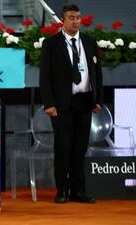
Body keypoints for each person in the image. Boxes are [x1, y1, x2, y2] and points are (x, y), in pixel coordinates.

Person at [39, 3, 103, 204]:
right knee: (63, 148)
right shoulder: (51, 44)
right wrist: (49, 103)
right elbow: (45, 77)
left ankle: (78, 191)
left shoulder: (89, 41)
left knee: (80, 148)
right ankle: (62, 190)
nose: (76, 21)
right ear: (63, 20)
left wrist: (98, 99)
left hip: (85, 101)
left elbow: (97, 73)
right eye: (72, 18)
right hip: (62, 104)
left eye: (78, 17)